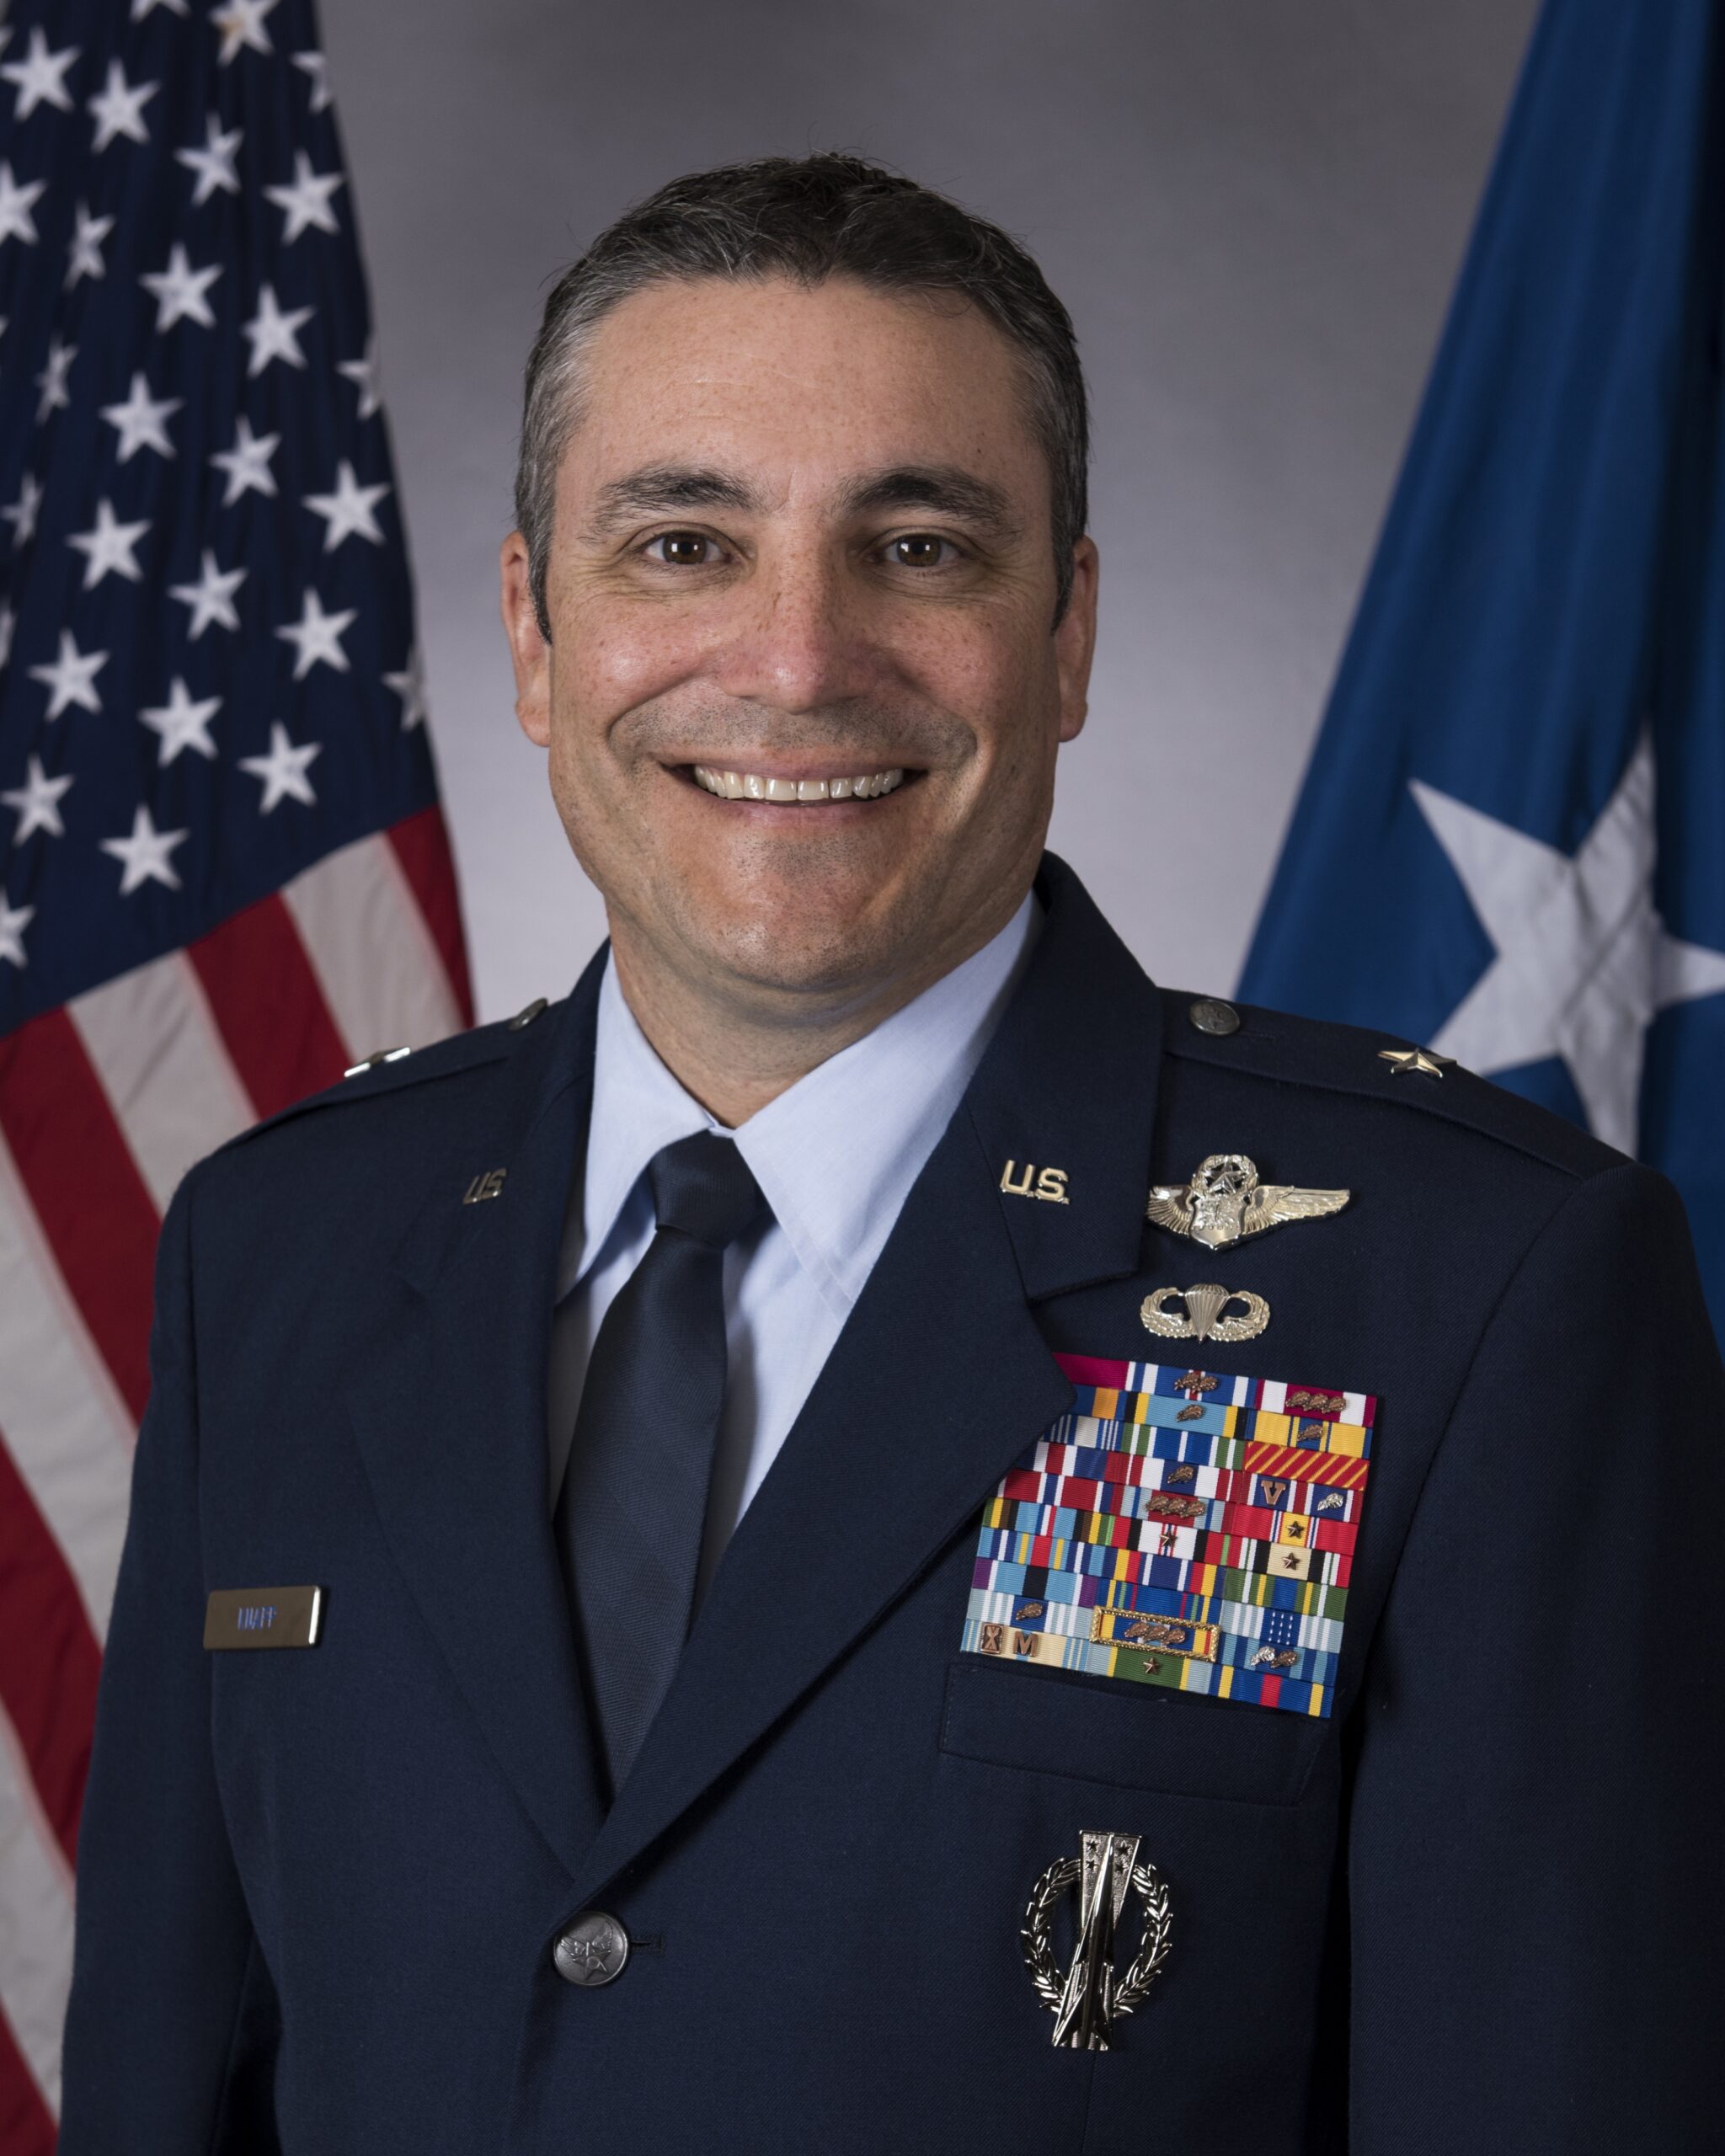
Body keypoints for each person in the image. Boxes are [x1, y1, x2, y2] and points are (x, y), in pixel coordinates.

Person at [61, 153, 1722, 2155]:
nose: (792, 660)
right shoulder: (282, 1244)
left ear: (1068, 628)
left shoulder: (1475, 1284)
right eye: (681, 543)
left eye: (917, 548)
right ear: (529, 625)